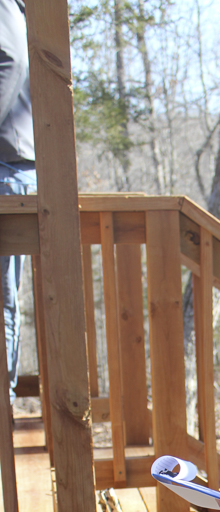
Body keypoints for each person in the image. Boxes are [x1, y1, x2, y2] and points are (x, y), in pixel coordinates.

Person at [0, 0, 36, 406]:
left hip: (6, 167)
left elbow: (11, 61)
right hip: (12, 164)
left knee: (3, 300)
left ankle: (3, 408)